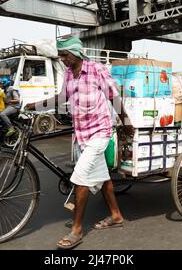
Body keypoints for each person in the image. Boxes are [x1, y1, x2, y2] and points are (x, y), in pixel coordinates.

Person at [25, 36, 129, 250]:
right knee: (102, 177)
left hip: (100, 131)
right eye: (61, 55)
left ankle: (77, 229)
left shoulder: (96, 69)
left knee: (81, 176)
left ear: (76, 53)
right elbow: (61, 97)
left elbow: (113, 96)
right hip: (83, 134)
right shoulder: (68, 75)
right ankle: (116, 215)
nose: (62, 59)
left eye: (65, 55)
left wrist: (126, 122)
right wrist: (35, 105)